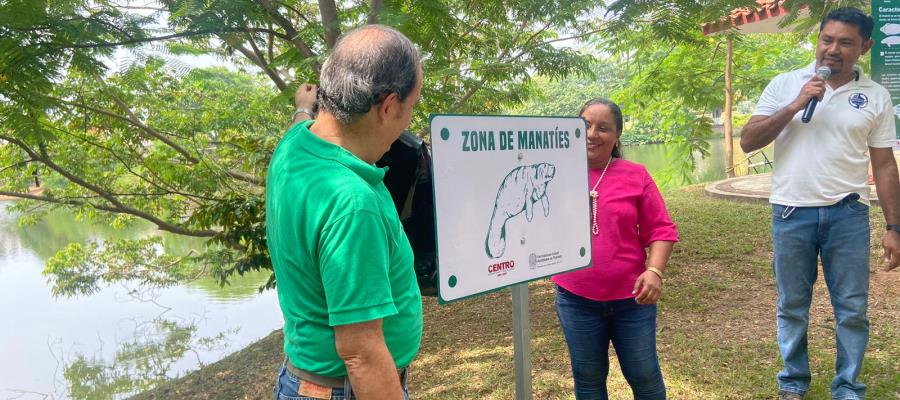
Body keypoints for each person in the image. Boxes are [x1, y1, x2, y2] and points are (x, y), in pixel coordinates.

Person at [740, 7, 900, 400]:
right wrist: (795, 105)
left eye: (845, 42)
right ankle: (793, 381)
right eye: (826, 39)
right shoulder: (785, 84)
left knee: (852, 308)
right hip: (791, 213)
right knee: (792, 304)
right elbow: (748, 140)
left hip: (848, 214)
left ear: (864, 46)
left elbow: (883, 164)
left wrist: (895, 228)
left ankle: (847, 387)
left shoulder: (876, 96)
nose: (832, 49)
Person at [266, 25, 423, 400]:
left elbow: (302, 121)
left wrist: (303, 107)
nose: (409, 123)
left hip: (304, 377)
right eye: (410, 108)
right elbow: (360, 352)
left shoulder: (294, 146)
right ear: (387, 106)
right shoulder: (353, 205)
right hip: (344, 389)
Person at [552, 98, 679, 400]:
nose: (592, 133)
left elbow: (662, 230)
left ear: (617, 136)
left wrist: (655, 271)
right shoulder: (555, 173)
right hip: (576, 299)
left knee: (644, 376)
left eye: (603, 128)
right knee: (588, 378)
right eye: (585, 125)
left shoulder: (635, 175)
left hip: (631, 299)